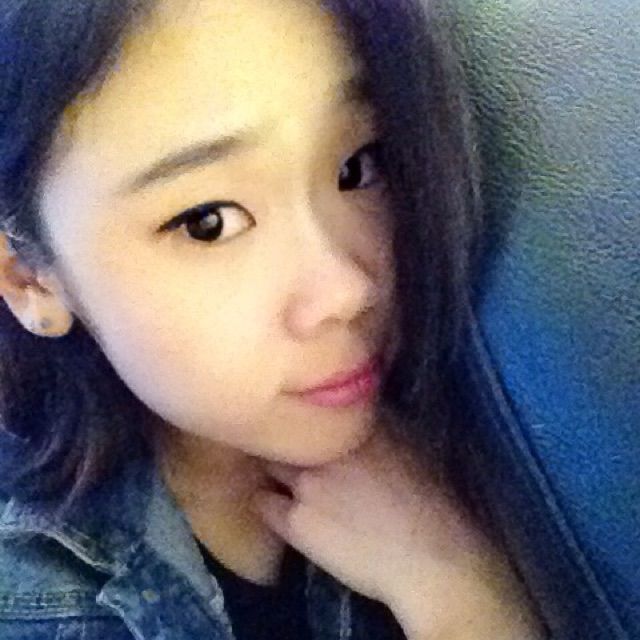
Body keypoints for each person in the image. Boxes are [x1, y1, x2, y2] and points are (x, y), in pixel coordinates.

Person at [0, 0, 544, 638]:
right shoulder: (33, 596)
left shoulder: (507, 426)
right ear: (31, 281)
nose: (349, 290)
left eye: (357, 167)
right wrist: (463, 599)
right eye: (208, 222)